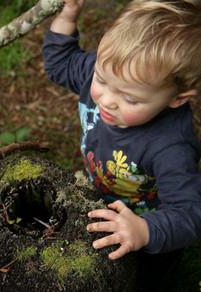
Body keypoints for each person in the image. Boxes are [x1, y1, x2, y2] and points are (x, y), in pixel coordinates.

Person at [43, 0, 201, 290]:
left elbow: (190, 214)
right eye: (101, 80)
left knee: (144, 278)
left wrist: (145, 230)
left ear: (176, 99)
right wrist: (67, 15)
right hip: (106, 197)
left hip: (148, 229)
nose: (106, 100)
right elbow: (60, 63)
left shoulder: (170, 147)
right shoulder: (109, 75)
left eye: (130, 99)